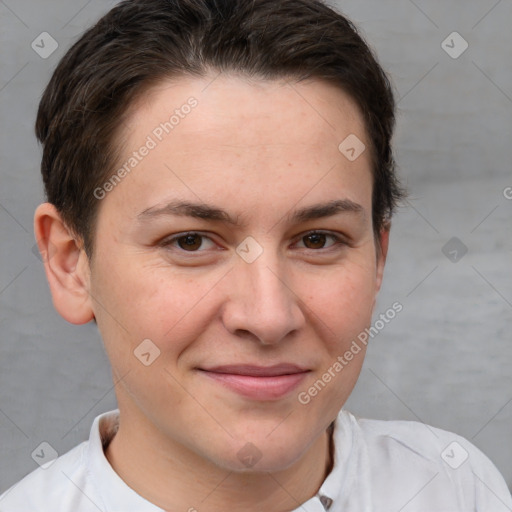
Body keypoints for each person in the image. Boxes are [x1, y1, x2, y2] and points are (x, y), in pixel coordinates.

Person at [1, 0, 511, 510]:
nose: (269, 317)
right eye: (191, 241)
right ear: (71, 264)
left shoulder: (455, 488)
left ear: (378, 258)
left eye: (318, 239)